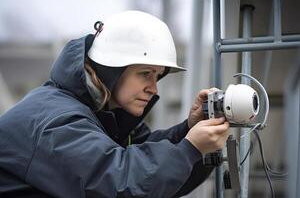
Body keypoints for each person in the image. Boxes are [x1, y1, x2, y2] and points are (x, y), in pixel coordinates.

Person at [0, 10, 229, 198]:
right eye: (145, 73)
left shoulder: (102, 111)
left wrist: (189, 130)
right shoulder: (57, 122)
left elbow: (140, 158)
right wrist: (190, 149)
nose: (154, 87)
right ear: (112, 69)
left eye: (157, 76)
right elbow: (121, 183)